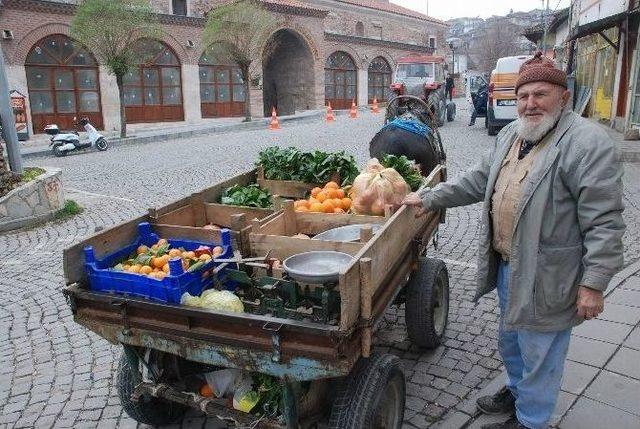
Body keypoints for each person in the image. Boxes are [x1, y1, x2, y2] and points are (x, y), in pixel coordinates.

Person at [402, 52, 625, 429]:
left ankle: (532, 420)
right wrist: (427, 197)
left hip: (551, 275)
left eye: (541, 94)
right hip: (510, 266)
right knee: (511, 343)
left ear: (564, 97)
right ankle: (517, 390)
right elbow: (477, 179)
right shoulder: (512, 133)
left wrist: (594, 284)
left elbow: (605, 221)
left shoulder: (587, 144)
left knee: (541, 353)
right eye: (523, 96)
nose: (530, 103)